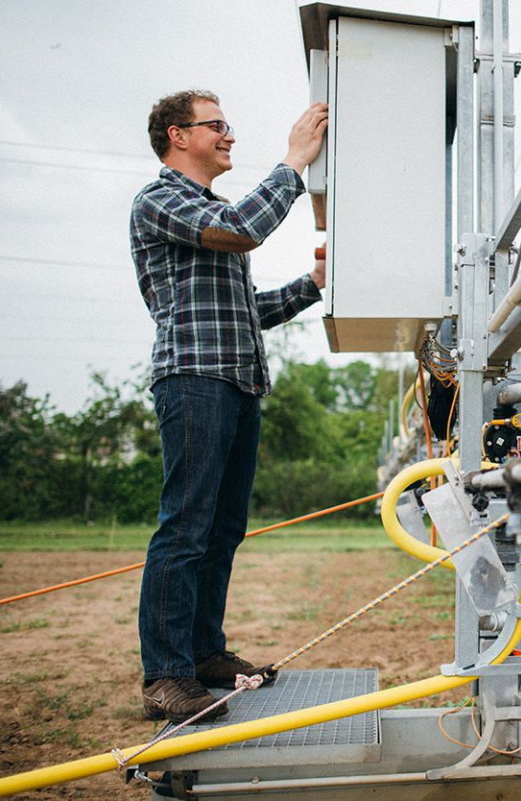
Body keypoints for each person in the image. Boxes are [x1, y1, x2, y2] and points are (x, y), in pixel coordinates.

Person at [130, 90, 328, 724]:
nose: (229, 135)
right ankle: (166, 676)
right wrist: (293, 165)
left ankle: (203, 654)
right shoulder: (160, 199)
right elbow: (244, 231)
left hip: (236, 381)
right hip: (193, 380)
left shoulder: (210, 212)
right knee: (185, 527)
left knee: (222, 529)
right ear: (177, 135)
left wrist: (313, 286)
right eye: (217, 125)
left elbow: (245, 315)